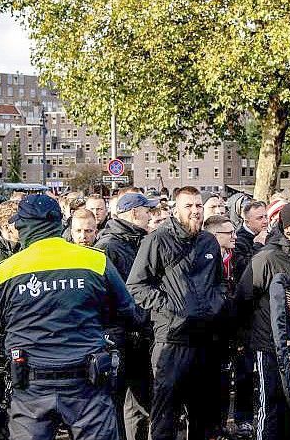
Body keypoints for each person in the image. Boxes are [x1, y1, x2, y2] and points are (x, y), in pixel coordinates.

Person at [0, 194, 143, 440]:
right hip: (88, 386)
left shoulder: (3, 272)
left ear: (26, 226)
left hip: (30, 387)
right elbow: (130, 314)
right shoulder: (96, 261)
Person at [127, 186, 228, 440]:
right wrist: (170, 306)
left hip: (205, 340)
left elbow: (220, 282)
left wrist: (215, 304)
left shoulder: (209, 241)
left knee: (202, 414)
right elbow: (136, 285)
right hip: (171, 340)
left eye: (198, 206)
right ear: (176, 209)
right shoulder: (157, 240)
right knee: (165, 415)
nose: (195, 211)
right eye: (188, 206)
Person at [236, 203, 290, 440]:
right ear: (287, 229)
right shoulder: (266, 258)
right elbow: (243, 299)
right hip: (267, 344)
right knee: (269, 406)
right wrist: (246, 340)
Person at [95, 193, 157, 440]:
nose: (150, 215)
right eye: (146, 211)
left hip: (140, 333)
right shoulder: (108, 246)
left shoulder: (140, 241)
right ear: (134, 213)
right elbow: (105, 294)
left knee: (140, 401)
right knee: (117, 402)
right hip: (119, 336)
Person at [234, 200, 268, 282]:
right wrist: (257, 245)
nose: (265, 221)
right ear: (247, 222)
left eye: (266, 216)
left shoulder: (268, 234)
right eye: (260, 218)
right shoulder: (238, 241)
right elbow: (243, 269)